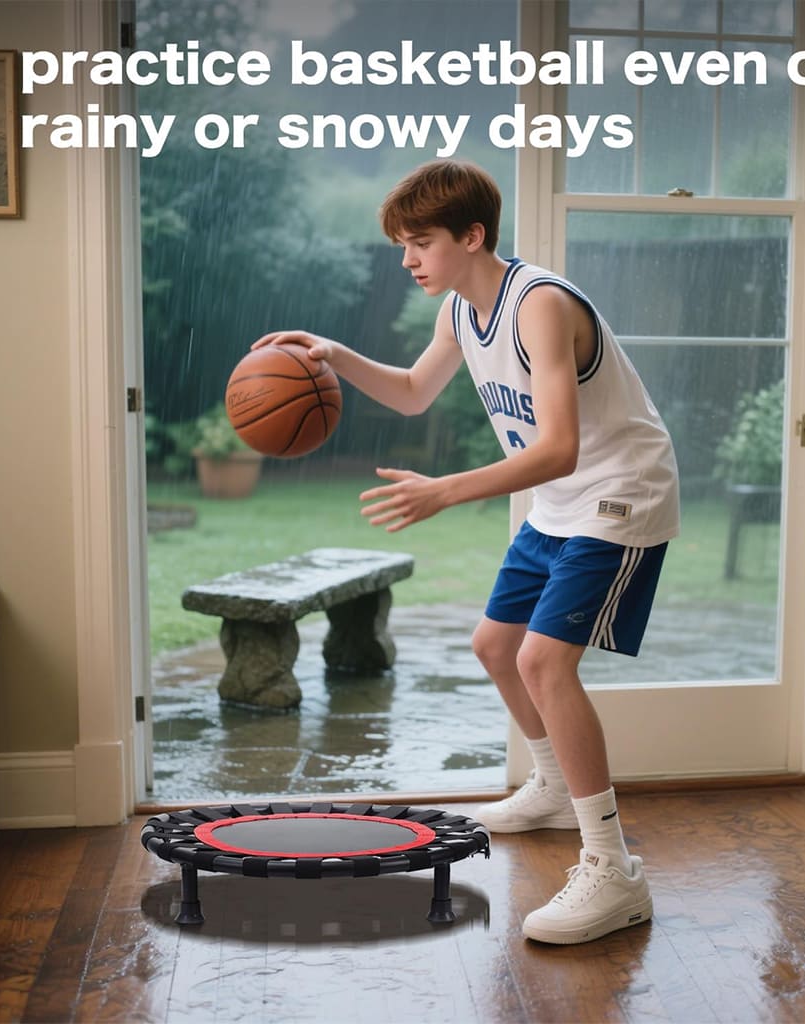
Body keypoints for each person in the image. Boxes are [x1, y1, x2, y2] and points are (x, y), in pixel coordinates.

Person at [252, 159, 679, 945]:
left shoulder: (540, 305)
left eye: (420, 243)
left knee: (545, 662)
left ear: (472, 236)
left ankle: (613, 869)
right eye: (402, 246)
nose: (408, 260)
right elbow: (414, 389)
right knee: (495, 646)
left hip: (621, 495)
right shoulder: (459, 309)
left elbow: (556, 448)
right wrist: (334, 354)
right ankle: (553, 787)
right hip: (561, 502)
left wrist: (443, 490)